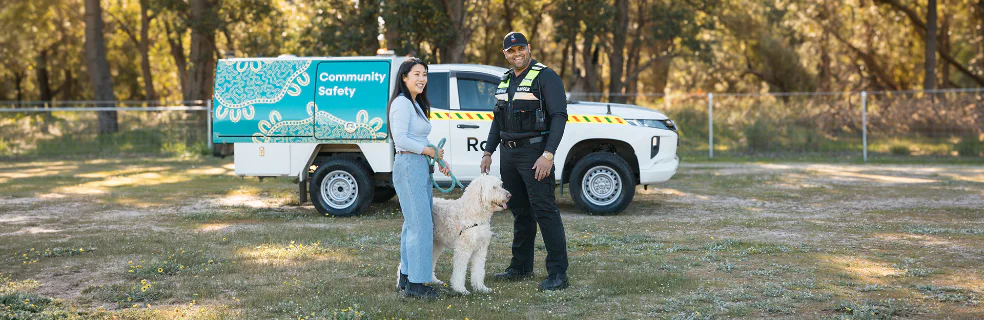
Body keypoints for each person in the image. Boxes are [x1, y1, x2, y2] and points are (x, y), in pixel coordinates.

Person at [480, 31, 570, 291]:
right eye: (511, 50)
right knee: (520, 212)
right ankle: (520, 267)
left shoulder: (546, 77)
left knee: (544, 210)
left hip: (535, 154)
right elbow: (498, 120)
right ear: (505, 54)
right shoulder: (505, 80)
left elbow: (559, 116)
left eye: (520, 48)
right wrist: (488, 152)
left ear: (528, 48)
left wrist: (548, 155)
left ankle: (558, 274)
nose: (516, 53)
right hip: (508, 155)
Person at [389, 58, 450, 299]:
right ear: (404, 77)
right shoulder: (401, 103)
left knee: (413, 224)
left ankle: (406, 276)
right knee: (421, 226)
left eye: (424, 74)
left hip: (419, 166)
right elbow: (401, 140)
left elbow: (420, 140)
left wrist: (438, 158)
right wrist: (429, 152)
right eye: (416, 74)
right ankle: (416, 284)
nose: (422, 78)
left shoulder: (414, 104)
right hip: (408, 166)